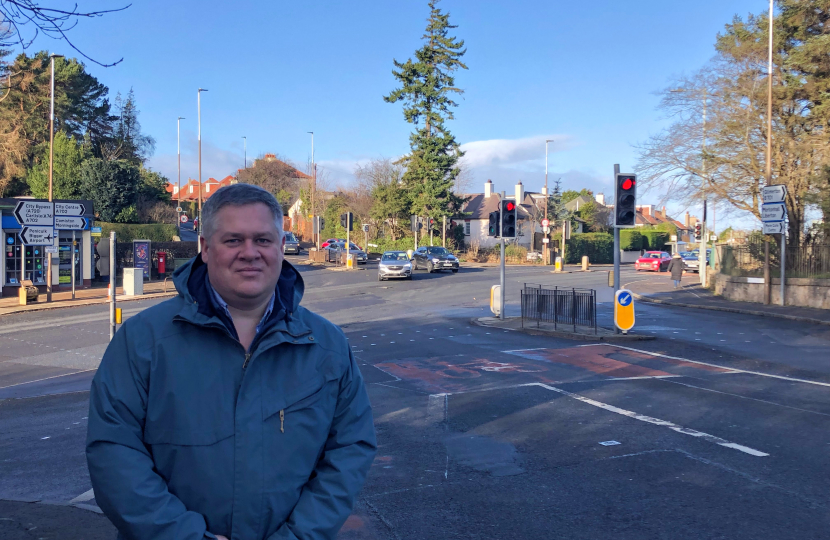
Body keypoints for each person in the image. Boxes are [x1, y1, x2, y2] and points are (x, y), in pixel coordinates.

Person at [87, 184, 377, 540]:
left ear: (281, 246)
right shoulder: (141, 341)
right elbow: (114, 454)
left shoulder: (327, 345)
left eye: (263, 240)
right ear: (205, 248)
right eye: (233, 240)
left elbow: (350, 449)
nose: (250, 253)